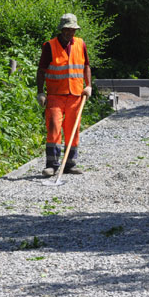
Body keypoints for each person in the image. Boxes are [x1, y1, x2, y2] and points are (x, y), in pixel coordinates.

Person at [36, 13, 92, 176]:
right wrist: (41, 92)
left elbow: (86, 66)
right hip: (55, 95)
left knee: (73, 129)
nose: (70, 33)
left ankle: (70, 164)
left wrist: (88, 86)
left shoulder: (80, 44)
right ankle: (52, 165)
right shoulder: (50, 46)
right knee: (53, 127)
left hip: (75, 95)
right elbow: (41, 71)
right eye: (67, 30)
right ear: (61, 30)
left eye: (73, 30)